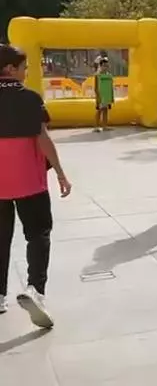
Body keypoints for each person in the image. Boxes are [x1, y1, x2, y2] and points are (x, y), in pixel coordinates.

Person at [0, 44, 71, 328]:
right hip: (28, 180)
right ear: (10, 69)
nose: (26, 72)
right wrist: (61, 173)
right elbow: (42, 139)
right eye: (24, 67)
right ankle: (35, 290)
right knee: (38, 234)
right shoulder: (29, 98)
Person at [93, 57, 114, 132]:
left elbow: (111, 86)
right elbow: (95, 87)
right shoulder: (97, 75)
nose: (105, 67)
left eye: (107, 66)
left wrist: (111, 97)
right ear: (100, 66)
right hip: (100, 96)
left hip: (107, 96)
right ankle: (96, 127)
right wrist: (98, 97)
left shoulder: (109, 75)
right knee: (99, 111)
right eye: (104, 65)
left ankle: (105, 126)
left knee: (106, 111)